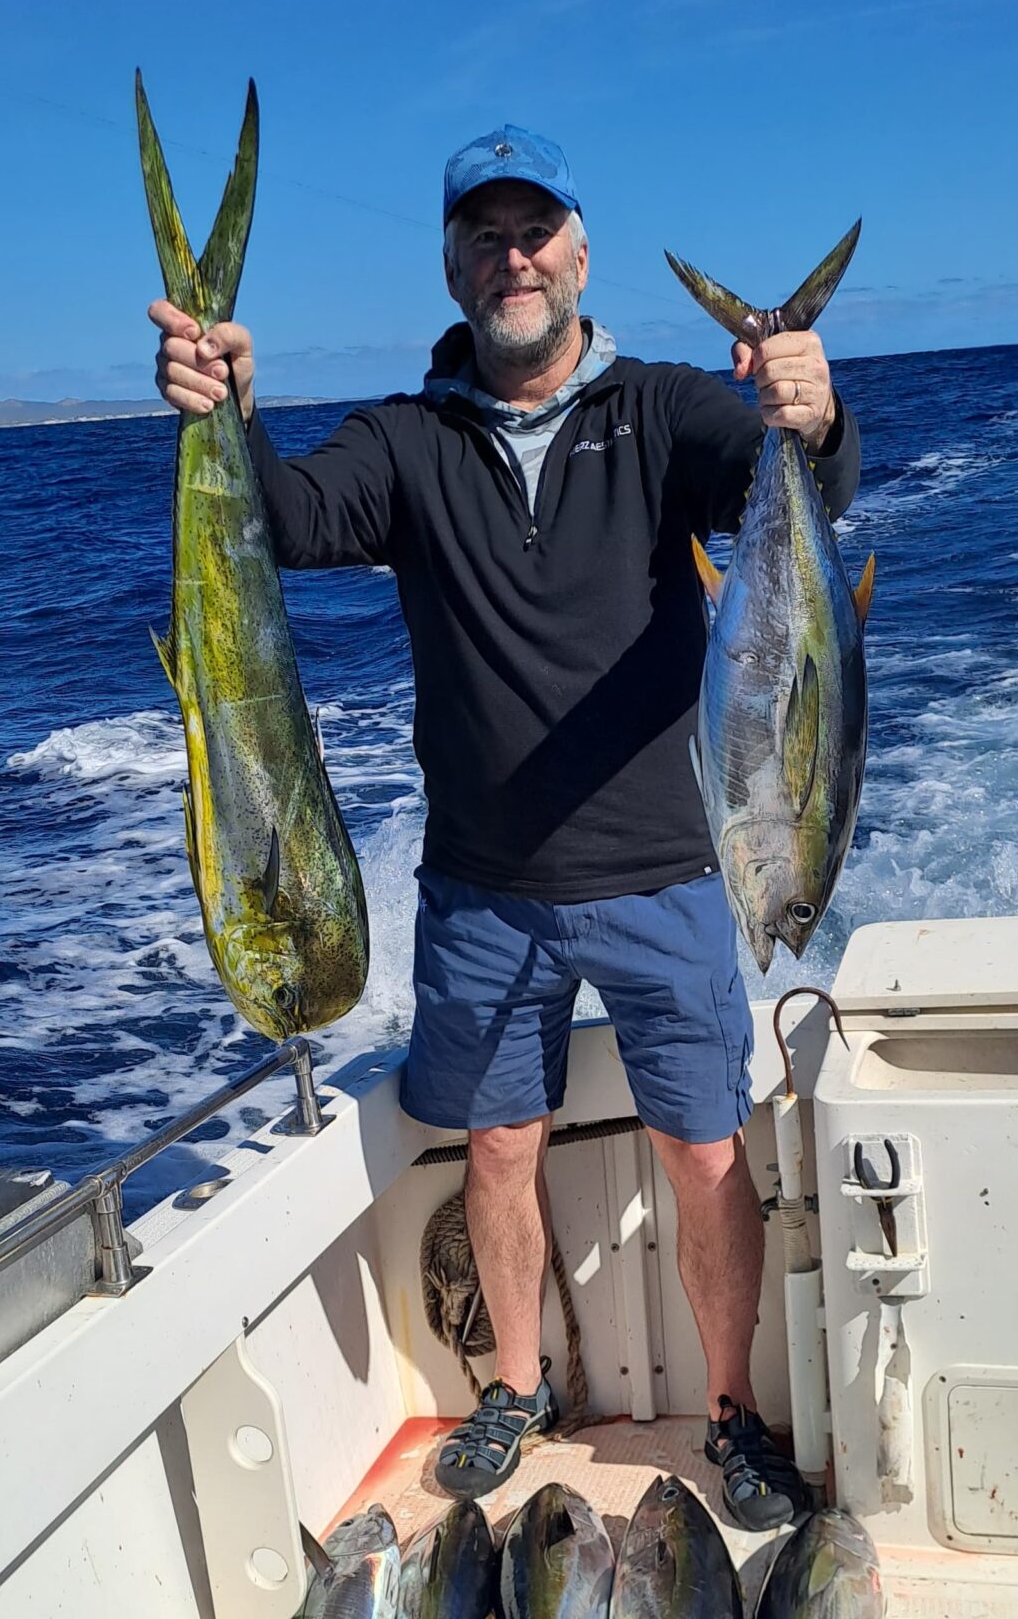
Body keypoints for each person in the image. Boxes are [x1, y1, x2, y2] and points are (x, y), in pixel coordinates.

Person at [151, 123, 861, 1529]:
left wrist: (811, 411)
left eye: (535, 230)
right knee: (494, 1147)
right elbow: (286, 521)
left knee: (707, 1150)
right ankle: (516, 1391)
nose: (513, 256)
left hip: (664, 869)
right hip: (480, 887)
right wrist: (220, 407)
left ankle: (730, 1412)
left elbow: (802, 490)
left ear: (580, 251)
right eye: (485, 235)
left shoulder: (663, 411)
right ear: (452, 265)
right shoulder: (406, 442)